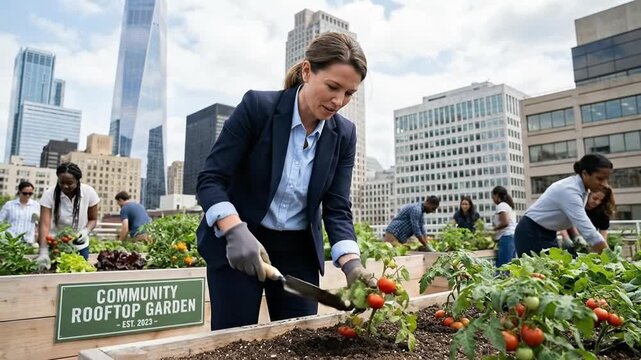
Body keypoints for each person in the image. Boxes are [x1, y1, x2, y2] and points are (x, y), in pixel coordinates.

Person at [196, 32, 374, 330]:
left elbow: (336, 207)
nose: (338, 101)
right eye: (332, 87)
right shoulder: (257, 108)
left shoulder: (344, 134)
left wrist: (351, 262)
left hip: (298, 253)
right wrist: (233, 229)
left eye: (349, 93)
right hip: (240, 243)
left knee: (298, 339)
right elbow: (211, 179)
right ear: (307, 71)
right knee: (235, 340)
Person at [514, 154, 611, 257]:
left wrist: (576, 237)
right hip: (531, 232)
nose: (604, 184)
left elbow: (571, 219)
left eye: (606, 179)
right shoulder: (570, 191)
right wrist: (610, 258)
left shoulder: (582, 189)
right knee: (539, 271)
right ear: (585, 174)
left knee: (554, 269)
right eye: (600, 179)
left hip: (547, 232)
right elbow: (588, 230)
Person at [36, 163, 100, 268]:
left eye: (70, 183)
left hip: (79, 244)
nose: (65, 186)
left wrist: (86, 231)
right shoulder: (49, 194)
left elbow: (93, 219)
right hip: (56, 244)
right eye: (62, 182)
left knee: (78, 274)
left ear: (78, 181)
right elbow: (44, 225)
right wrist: (43, 251)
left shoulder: (89, 192)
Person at [491, 186, 517, 267]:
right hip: (512, 237)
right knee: (511, 266)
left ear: (497, 195)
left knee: (503, 267)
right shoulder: (507, 205)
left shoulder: (501, 205)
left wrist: (493, 230)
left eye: (493, 197)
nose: (493, 199)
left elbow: (505, 222)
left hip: (506, 238)